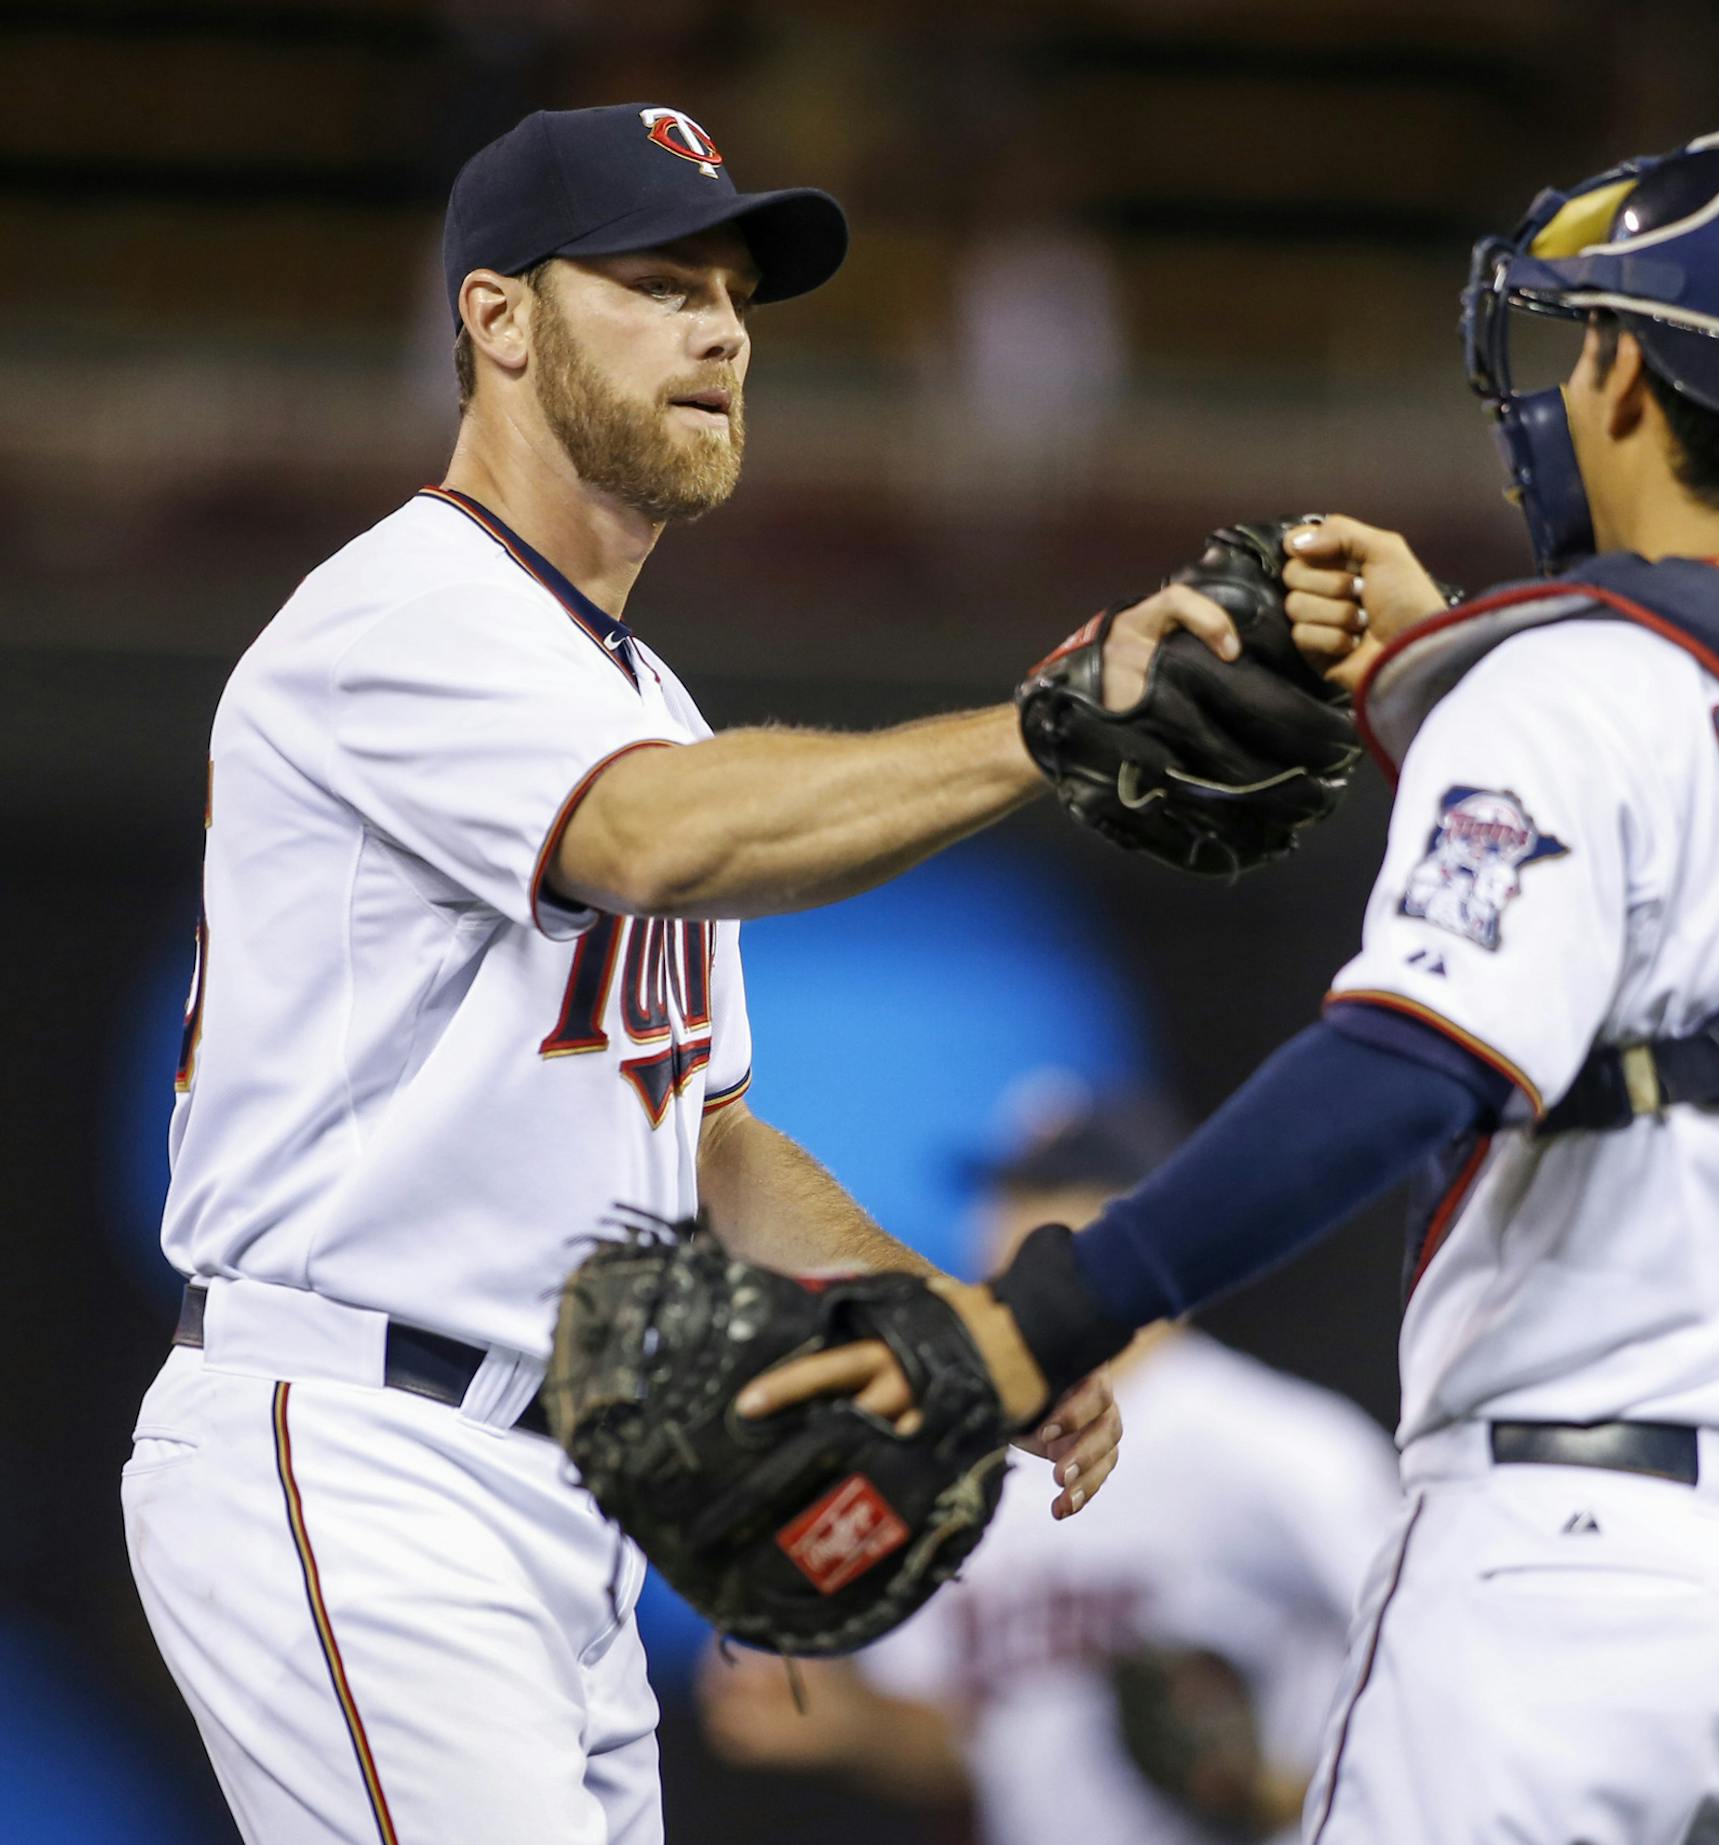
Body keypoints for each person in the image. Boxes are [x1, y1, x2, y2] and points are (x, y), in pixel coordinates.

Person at [744, 129, 1719, 1843]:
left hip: (1589, 1574)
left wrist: (1046, 1320)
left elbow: (1406, 1064)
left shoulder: (1570, 688)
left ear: (1632, 375)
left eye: (1587, 337)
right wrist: (1449, 666)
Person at [121, 103, 1358, 1845]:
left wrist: (958, 1324)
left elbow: (706, 1140)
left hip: (557, 1498)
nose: (719, 332)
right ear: (498, 319)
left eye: (733, 297)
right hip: (360, 1440)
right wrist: (1047, 727)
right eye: (655, 284)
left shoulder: (641, 695)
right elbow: (652, 839)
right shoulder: (405, 611)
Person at [701, 1090, 1401, 1845]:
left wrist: (1296, 1792)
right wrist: (856, 1725)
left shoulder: (1277, 1444)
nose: (998, 1225)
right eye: (1001, 1197)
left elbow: (1443, 1647)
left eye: (1041, 1196)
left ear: (1141, 1216)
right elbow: (973, 1750)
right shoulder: (948, 1463)